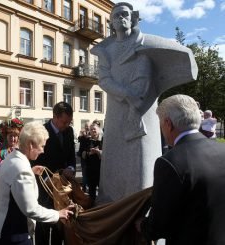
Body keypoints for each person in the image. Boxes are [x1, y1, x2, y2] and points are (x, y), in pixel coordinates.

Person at [90, 2, 197, 202]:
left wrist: (136, 97)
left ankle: (140, 204)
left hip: (143, 110)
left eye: (125, 14)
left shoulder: (145, 45)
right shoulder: (106, 49)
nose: (121, 18)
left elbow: (147, 82)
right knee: (113, 158)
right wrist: (128, 94)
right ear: (112, 23)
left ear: (133, 18)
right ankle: (111, 202)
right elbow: (104, 80)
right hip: (116, 111)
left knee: (141, 160)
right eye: (116, 16)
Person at [135, 94, 225, 245]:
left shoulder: (169, 162)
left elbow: (159, 226)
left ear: (168, 124)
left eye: (161, 125)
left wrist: (142, 225)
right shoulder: (222, 150)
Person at [0, 121, 74, 244]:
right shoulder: (21, 169)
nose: (43, 151)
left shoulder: (12, 157)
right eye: (42, 146)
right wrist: (58, 214)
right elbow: (31, 209)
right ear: (31, 145)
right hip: (15, 234)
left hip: (5, 229)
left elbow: (13, 180)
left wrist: (30, 172)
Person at [33, 101, 76, 245]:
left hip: (62, 188)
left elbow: (71, 156)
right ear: (55, 117)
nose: (66, 126)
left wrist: (71, 168)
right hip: (44, 188)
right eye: (64, 122)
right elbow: (35, 161)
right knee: (44, 226)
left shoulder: (69, 132)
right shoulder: (41, 132)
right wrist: (46, 179)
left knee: (61, 224)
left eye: (69, 122)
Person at [81, 123, 103, 200]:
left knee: (103, 190)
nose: (93, 130)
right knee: (91, 190)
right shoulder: (87, 140)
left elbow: (108, 154)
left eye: (94, 129)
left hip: (101, 170)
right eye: (91, 129)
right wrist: (89, 153)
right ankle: (92, 205)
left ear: (99, 130)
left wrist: (99, 152)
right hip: (90, 169)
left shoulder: (103, 140)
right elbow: (82, 154)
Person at [77, 122, 91, 191]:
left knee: (88, 172)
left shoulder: (91, 135)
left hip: (90, 157)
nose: (87, 127)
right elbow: (79, 139)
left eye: (88, 126)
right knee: (84, 172)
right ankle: (84, 187)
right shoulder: (82, 135)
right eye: (86, 126)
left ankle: (87, 186)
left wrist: (87, 137)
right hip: (83, 157)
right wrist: (82, 135)